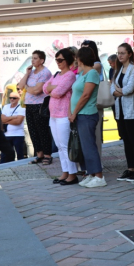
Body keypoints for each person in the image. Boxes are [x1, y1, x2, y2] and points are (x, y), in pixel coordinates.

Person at [70, 47, 106, 188]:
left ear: (80, 59)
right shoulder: (82, 73)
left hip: (87, 114)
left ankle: (99, 176)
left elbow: (85, 95)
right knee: (83, 147)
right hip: (79, 115)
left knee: (89, 146)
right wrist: (71, 112)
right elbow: (74, 95)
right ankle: (90, 173)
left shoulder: (92, 73)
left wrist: (74, 112)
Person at [43, 48, 78, 186]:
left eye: (60, 60)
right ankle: (65, 171)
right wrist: (53, 88)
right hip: (53, 115)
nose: (58, 62)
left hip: (63, 114)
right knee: (58, 145)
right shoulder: (57, 74)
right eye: (56, 59)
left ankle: (72, 173)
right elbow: (45, 89)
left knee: (65, 145)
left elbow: (58, 92)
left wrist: (52, 88)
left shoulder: (70, 75)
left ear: (68, 60)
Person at [17, 50, 53, 165]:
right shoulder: (31, 72)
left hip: (40, 105)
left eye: (35, 58)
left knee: (42, 130)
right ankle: (39, 154)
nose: (32, 60)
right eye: (32, 58)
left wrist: (26, 88)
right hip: (29, 105)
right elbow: (20, 86)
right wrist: (27, 73)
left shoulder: (45, 73)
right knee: (33, 131)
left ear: (42, 60)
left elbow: (37, 90)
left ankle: (47, 155)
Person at [111, 43, 134, 182]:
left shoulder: (133, 69)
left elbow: (129, 89)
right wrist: (119, 91)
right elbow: (112, 88)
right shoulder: (119, 69)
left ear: (129, 54)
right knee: (125, 140)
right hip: (120, 110)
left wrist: (120, 91)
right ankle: (130, 168)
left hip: (130, 111)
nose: (120, 55)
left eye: (122, 53)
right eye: (118, 53)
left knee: (133, 139)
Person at [0, 91, 25, 163]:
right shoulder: (6, 107)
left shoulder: (22, 108)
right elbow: (2, 119)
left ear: (18, 99)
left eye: (14, 98)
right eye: (10, 98)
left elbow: (18, 122)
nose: (12, 99)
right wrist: (13, 117)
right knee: (5, 154)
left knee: (19, 154)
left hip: (18, 134)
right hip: (7, 134)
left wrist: (6, 120)